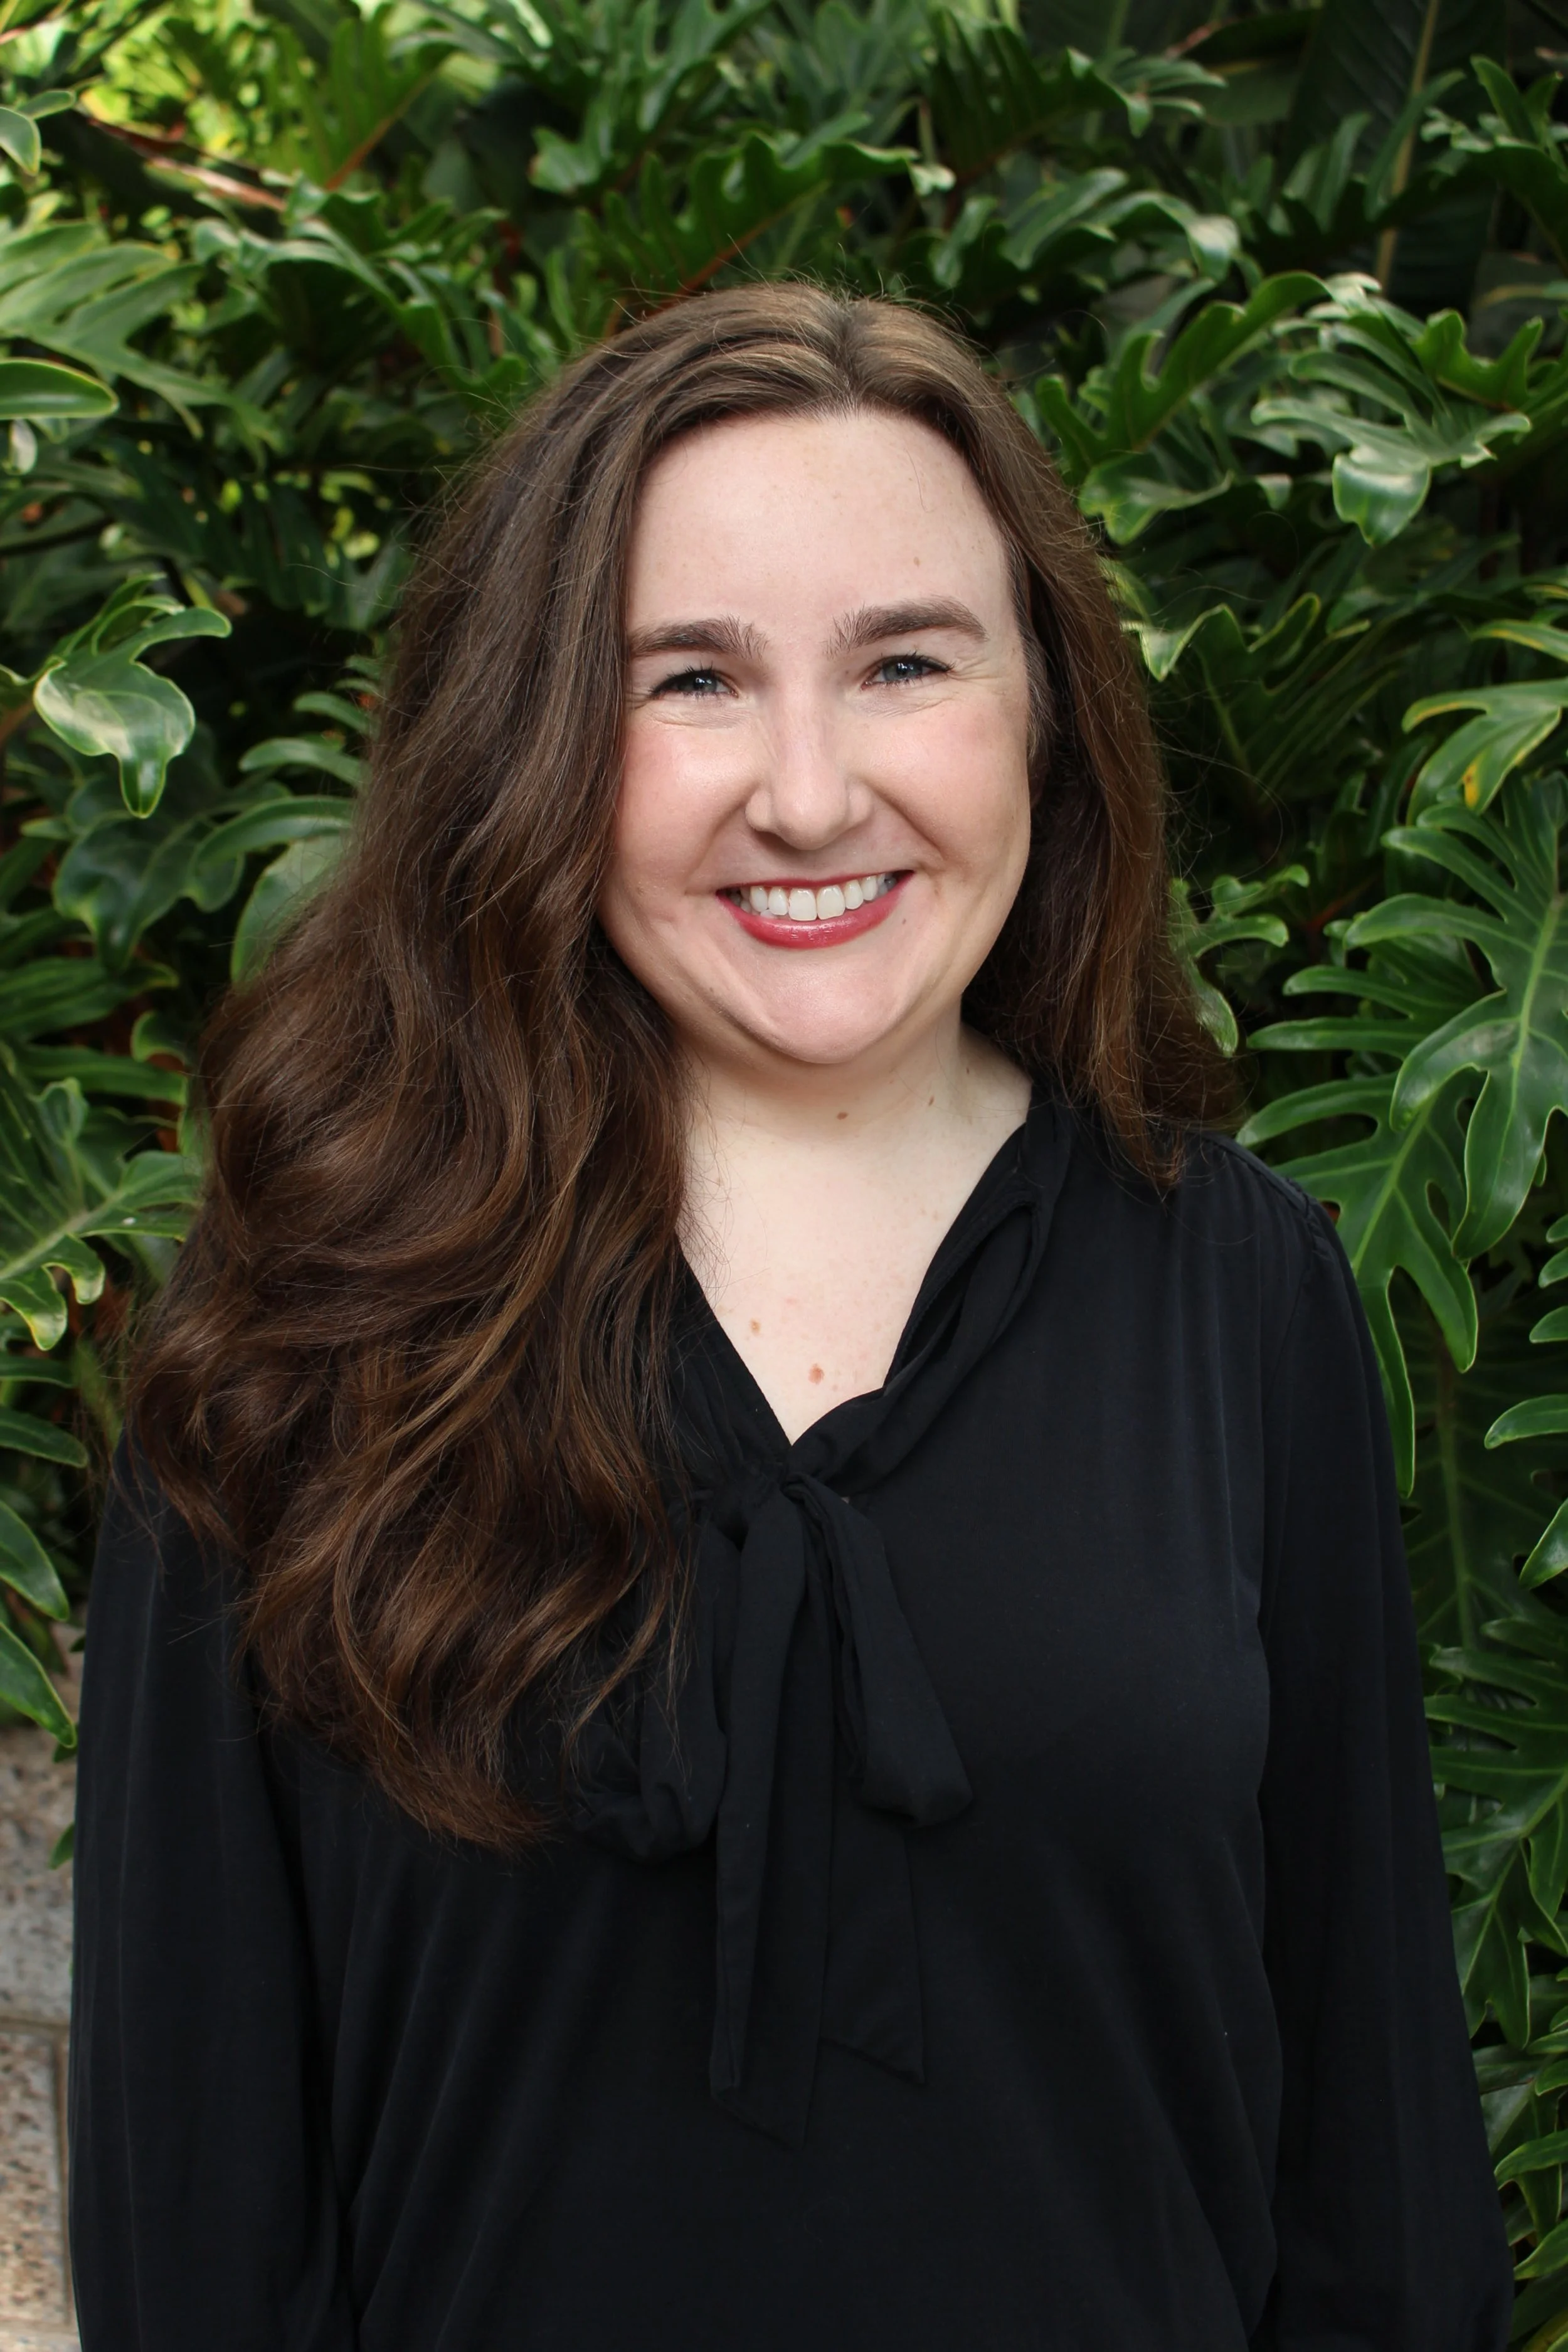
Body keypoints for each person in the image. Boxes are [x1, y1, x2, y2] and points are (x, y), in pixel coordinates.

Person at [68, 283, 1511, 2351]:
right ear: (538, 741)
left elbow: (1371, 2170)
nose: (812, 794)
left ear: (1043, 709)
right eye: (693, 682)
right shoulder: (298, 1328)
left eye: (904, 660)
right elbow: (194, 2206)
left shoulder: (1242, 1295)